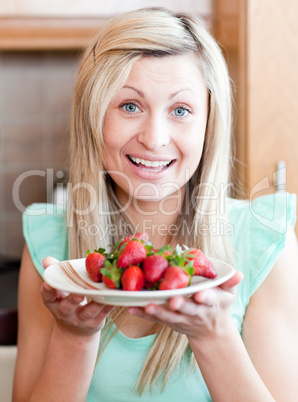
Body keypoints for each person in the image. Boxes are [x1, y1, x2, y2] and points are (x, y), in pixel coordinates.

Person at [13, 8, 298, 402]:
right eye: (130, 106)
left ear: (208, 124)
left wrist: (213, 335)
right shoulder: (48, 242)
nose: (155, 138)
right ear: (93, 116)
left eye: (180, 110)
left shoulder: (266, 240)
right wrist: (74, 336)